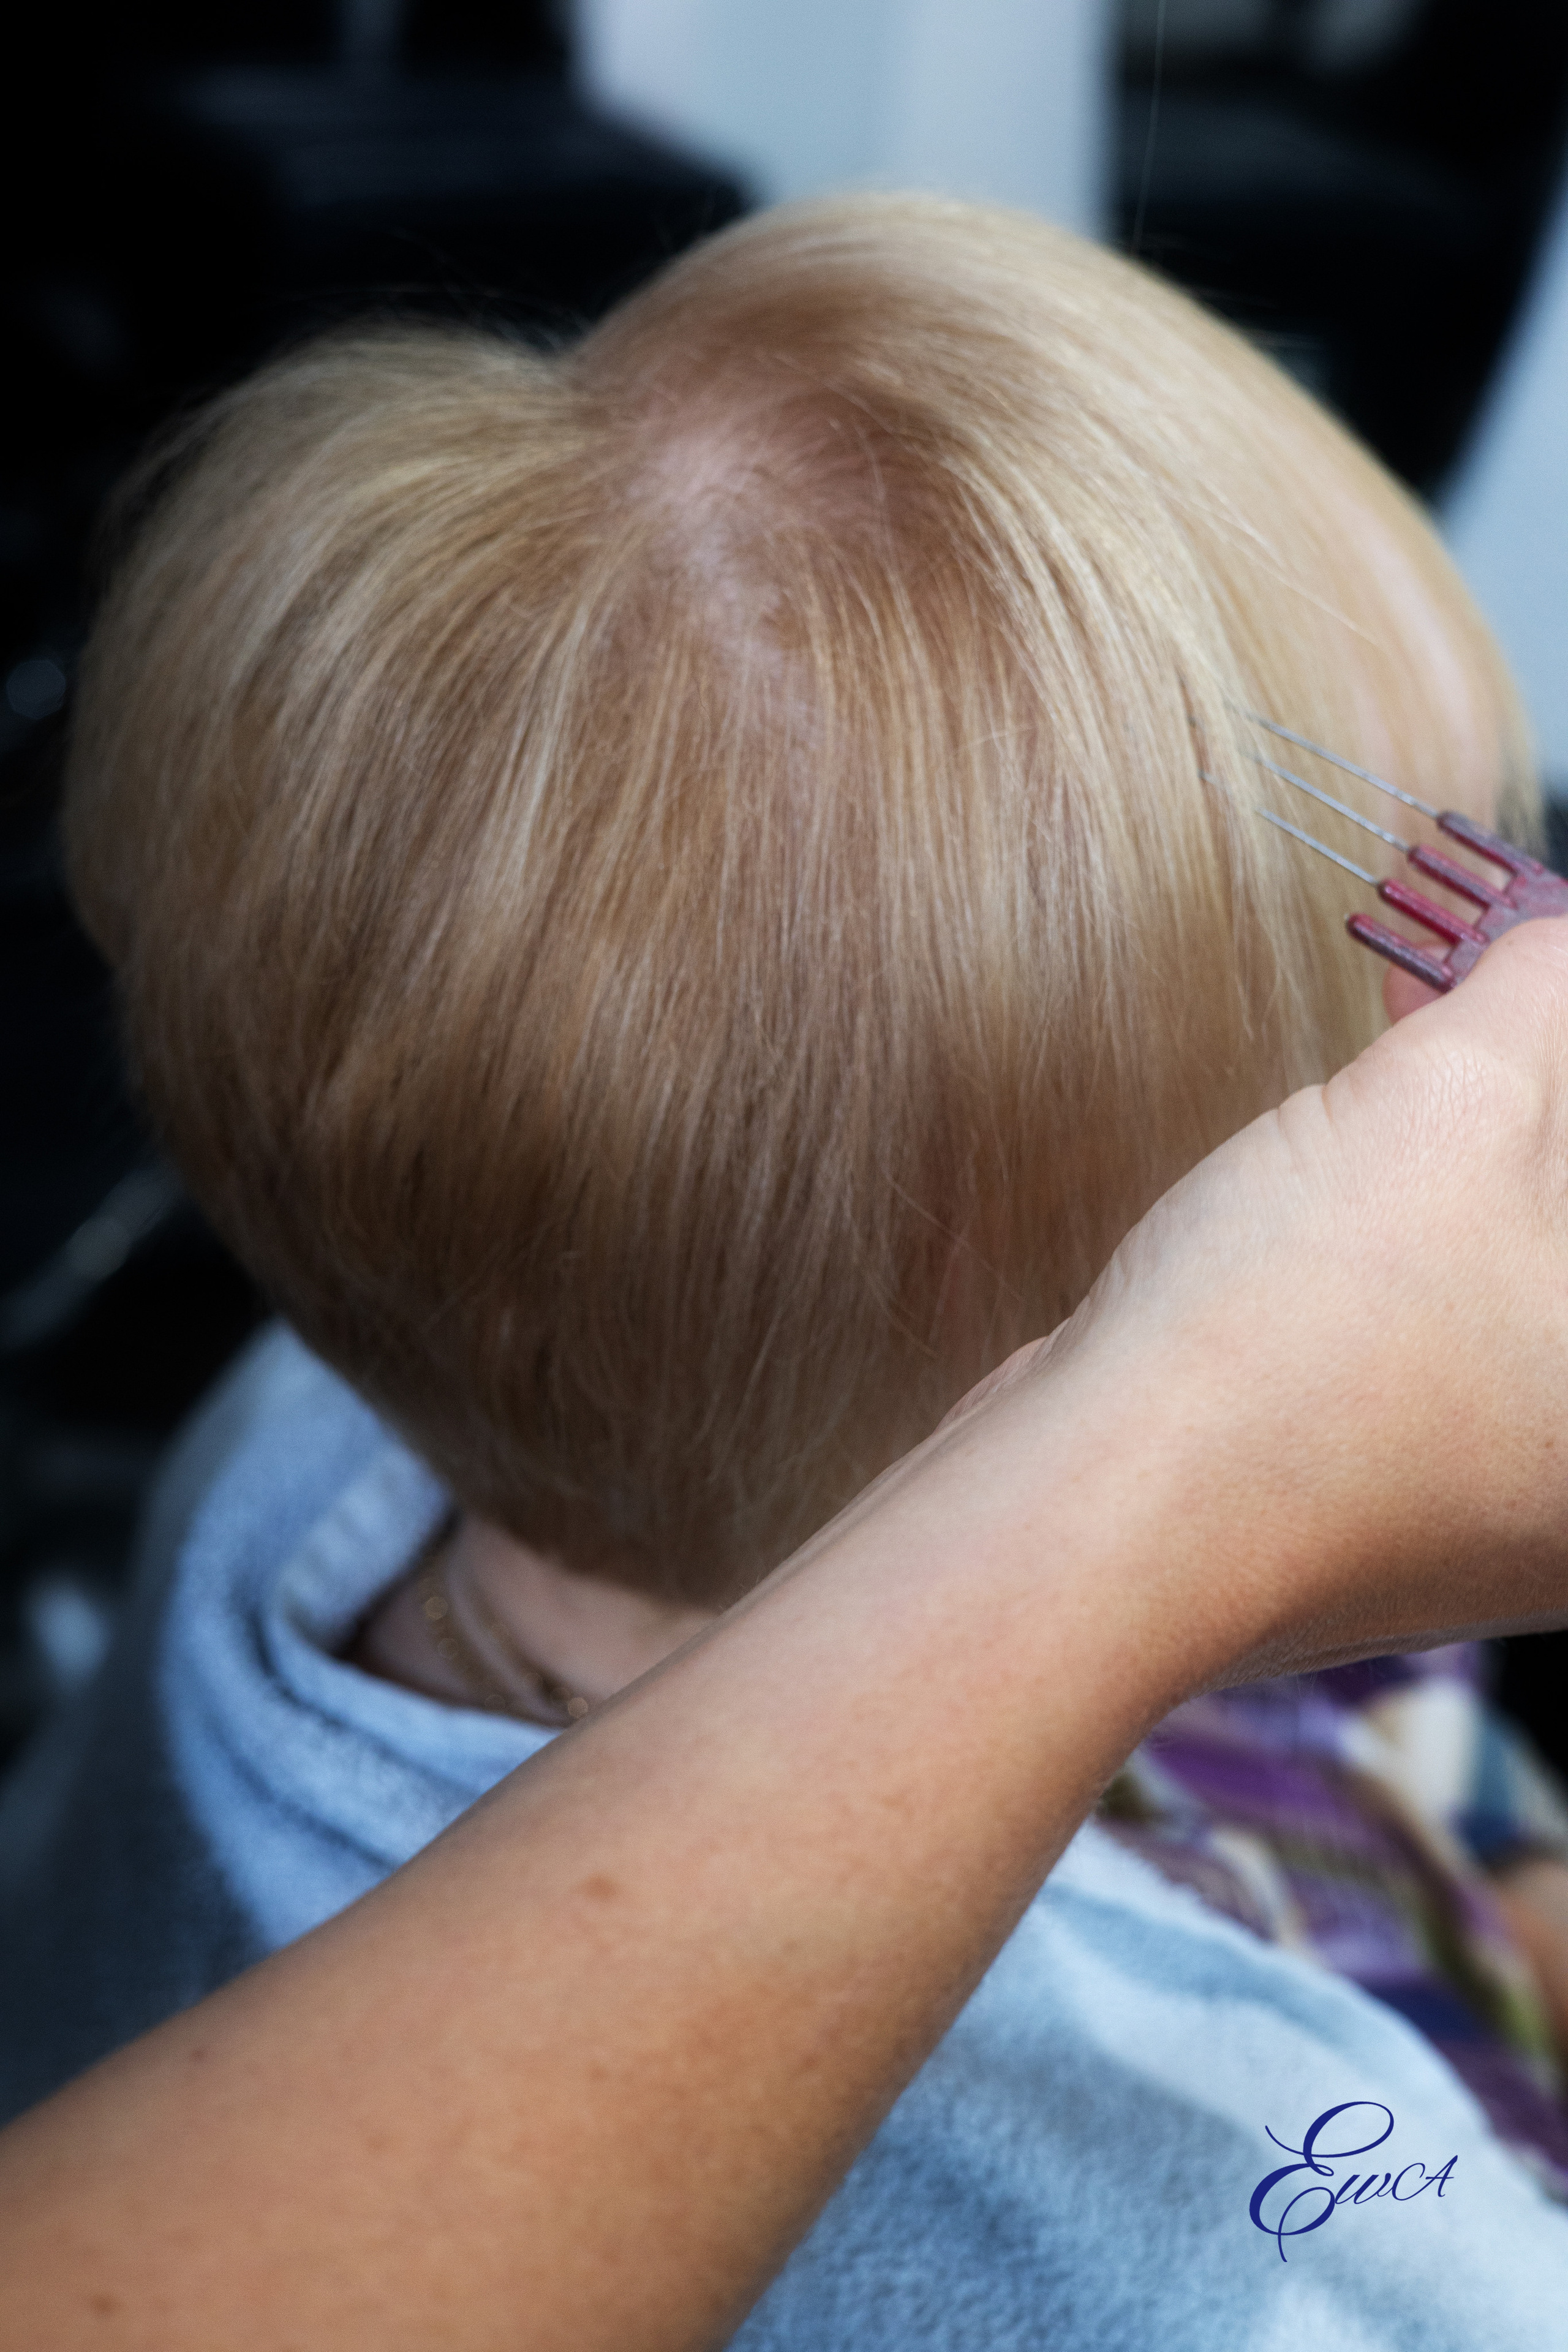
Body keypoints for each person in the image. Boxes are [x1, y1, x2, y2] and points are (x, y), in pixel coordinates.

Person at [4, 195, 1568, 2345]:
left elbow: (1417, 1814)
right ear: (1085, 1326)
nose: (1525, 989)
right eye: (1449, 930)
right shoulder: (1270, 2252)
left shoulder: (337, 1416)